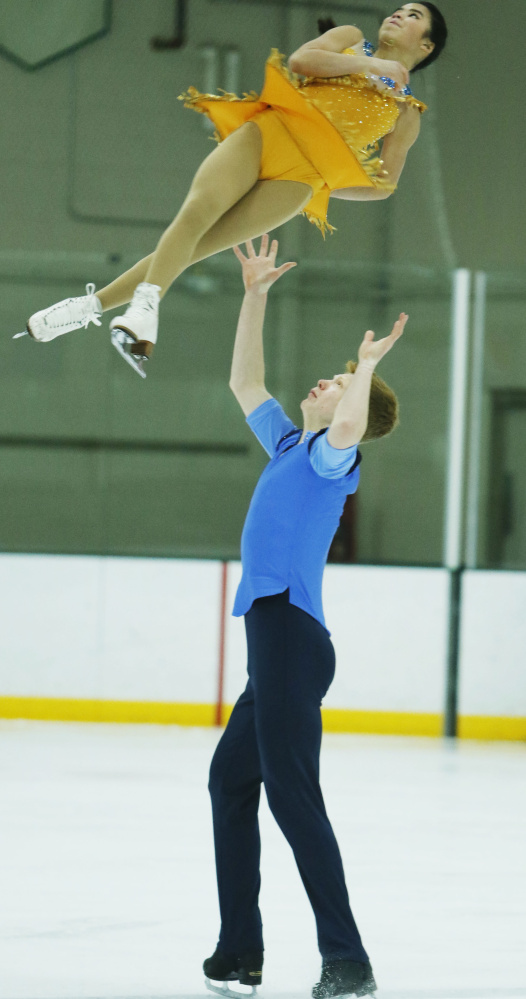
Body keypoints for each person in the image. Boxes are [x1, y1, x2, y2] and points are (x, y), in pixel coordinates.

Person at [19, 4, 444, 376]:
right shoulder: (351, 39)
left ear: (425, 47)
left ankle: (88, 310)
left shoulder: (407, 114)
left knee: (200, 246)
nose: (398, 14)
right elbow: (302, 60)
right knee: (196, 214)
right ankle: (142, 312)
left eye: (413, 16)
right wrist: (372, 66)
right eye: (400, 8)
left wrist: (328, 181)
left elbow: (383, 186)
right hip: (268, 133)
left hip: (299, 182)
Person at [202, 235, 406, 999]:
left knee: (291, 794)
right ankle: (238, 951)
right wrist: (255, 293)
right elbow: (243, 379)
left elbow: (352, 426)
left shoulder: (332, 459)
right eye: (332, 379)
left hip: (288, 636)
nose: (323, 383)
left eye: (336, 383)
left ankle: (347, 960)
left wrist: (368, 370)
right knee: (231, 781)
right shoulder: (290, 443)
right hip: (277, 641)